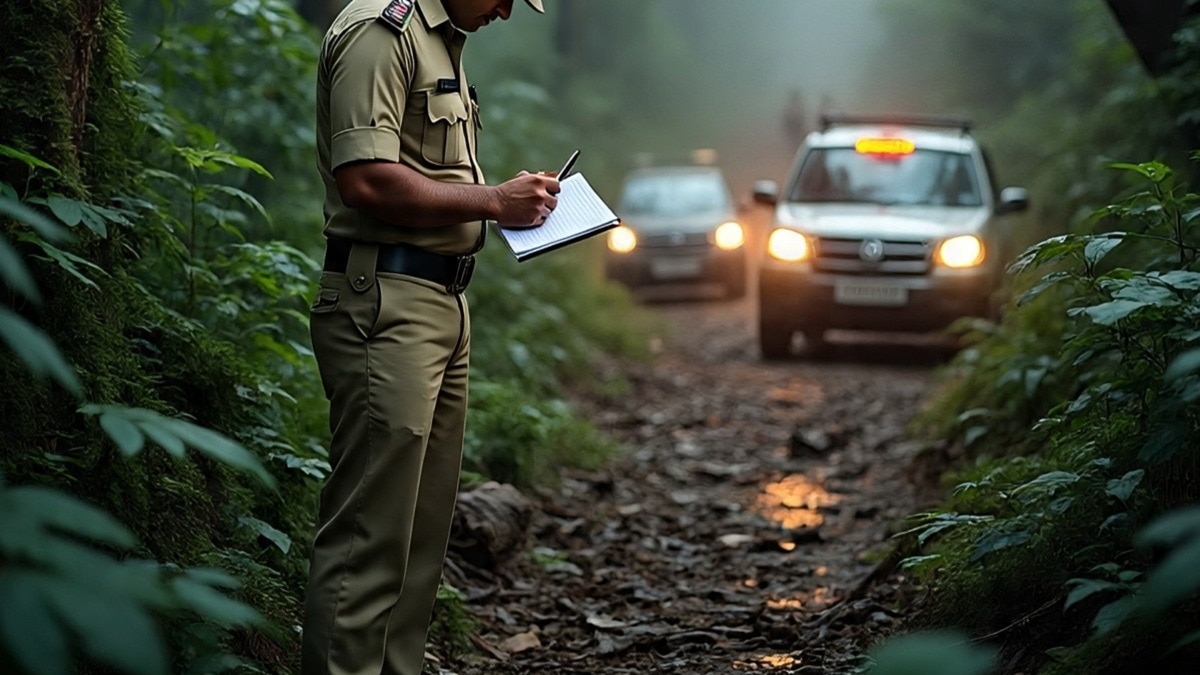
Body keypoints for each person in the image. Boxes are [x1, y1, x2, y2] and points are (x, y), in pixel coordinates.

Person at [300, 1, 556, 674]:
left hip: (442, 301)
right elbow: (365, 178)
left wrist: (505, 204)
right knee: (369, 538)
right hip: (385, 301)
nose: (506, 10)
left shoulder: (442, 41)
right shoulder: (379, 31)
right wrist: (496, 202)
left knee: (419, 540)